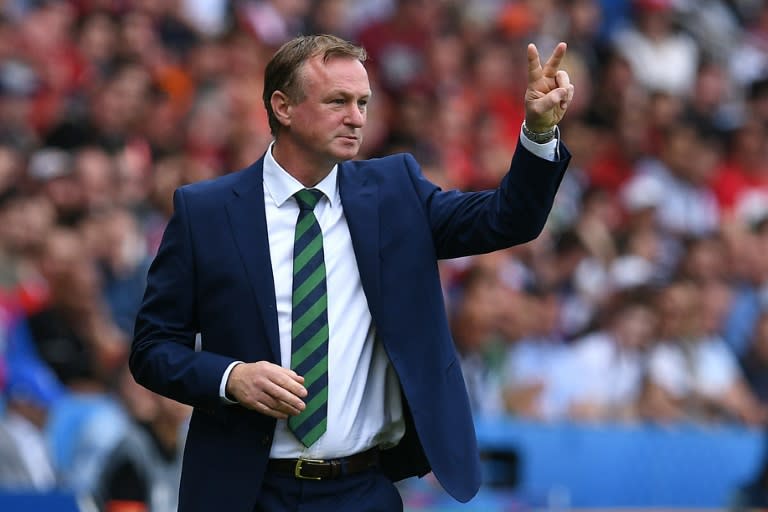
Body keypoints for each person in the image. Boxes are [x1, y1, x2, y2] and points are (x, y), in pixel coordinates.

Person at [129, 34, 574, 512]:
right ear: (283, 106)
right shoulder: (207, 213)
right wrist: (230, 377)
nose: (357, 117)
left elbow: (509, 218)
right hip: (246, 492)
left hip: (363, 490)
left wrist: (539, 132)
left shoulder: (395, 192)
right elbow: (153, 349)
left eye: (363, 102)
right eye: (337, 101)